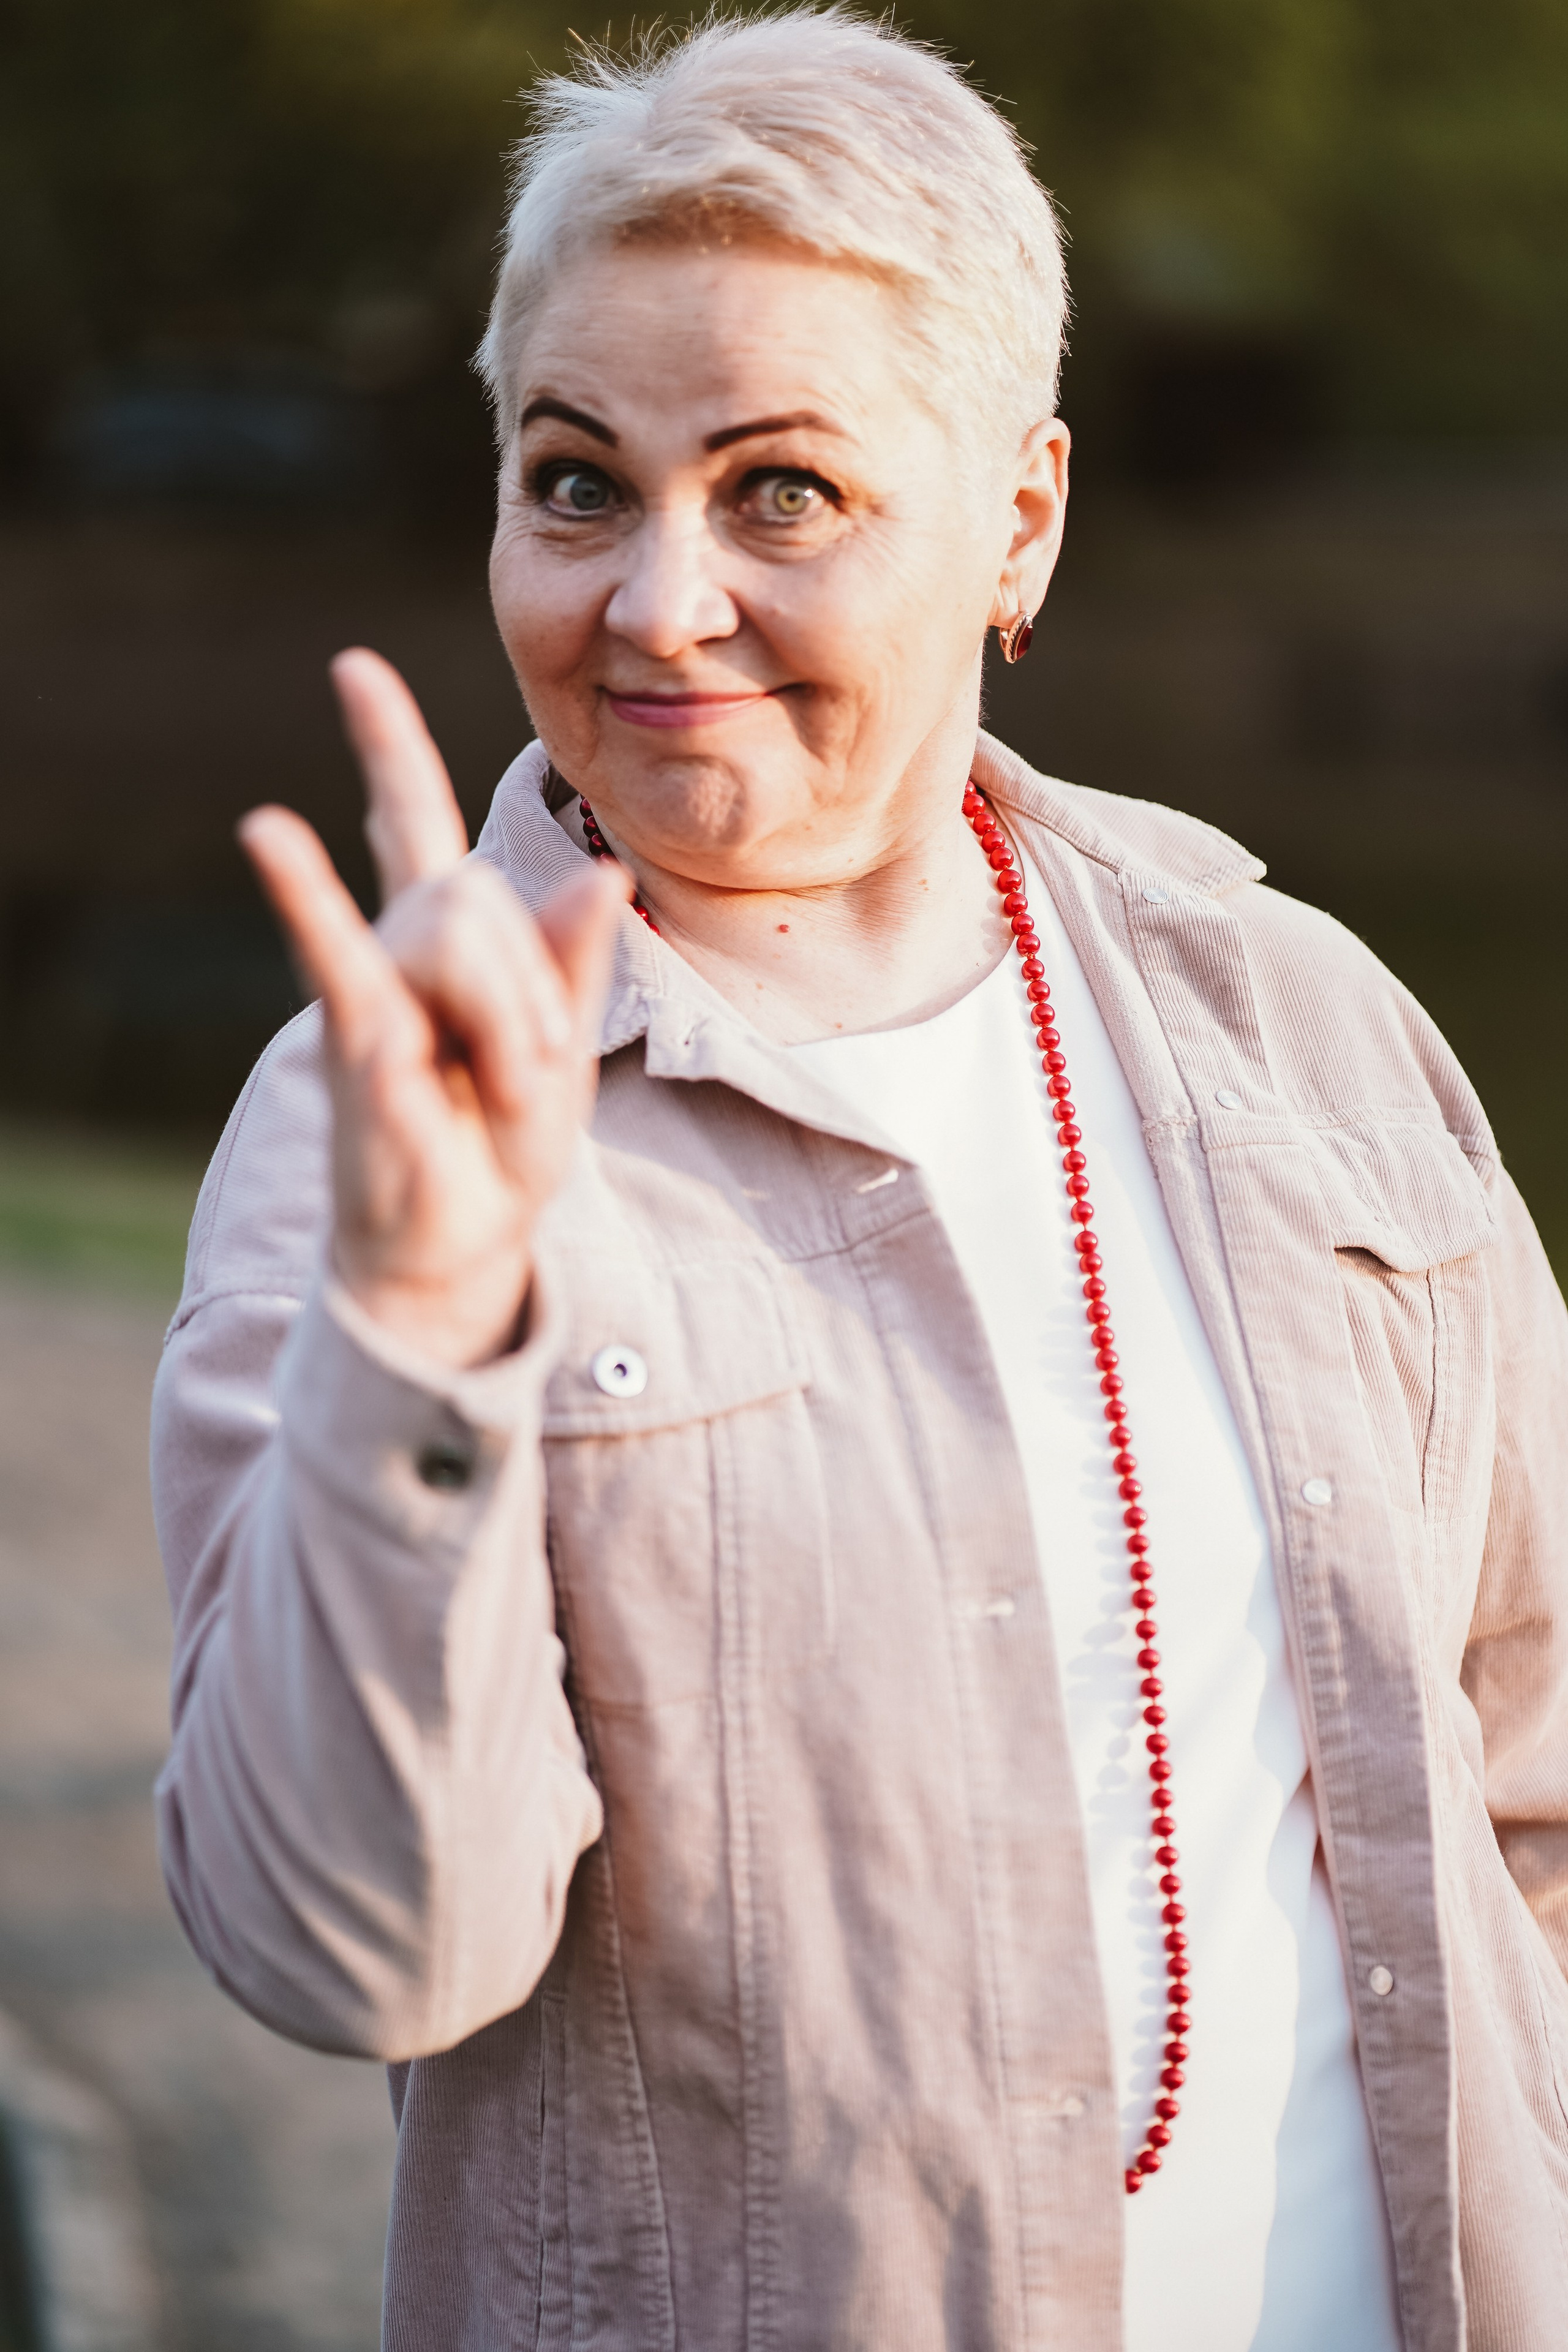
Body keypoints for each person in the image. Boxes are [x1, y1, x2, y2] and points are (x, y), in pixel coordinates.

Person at [149, 13, 1568, 2349]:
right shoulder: (373, 1121)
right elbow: (354, 1950)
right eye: (578, 484)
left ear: (1020, 519)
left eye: (782, 491)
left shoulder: (1297, 1014)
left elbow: (1527, 1769)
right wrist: (424, 1325)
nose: (657, 602)